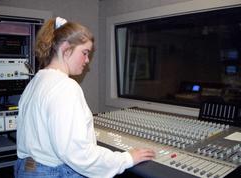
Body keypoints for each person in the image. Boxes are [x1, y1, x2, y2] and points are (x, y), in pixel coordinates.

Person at [15, 17, 155, 178]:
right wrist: (127, 158)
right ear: (66, 49)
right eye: (85, 53)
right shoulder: (65, 86)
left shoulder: (37, 81)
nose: (87, 60)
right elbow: (77, 153)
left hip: (26, 168)